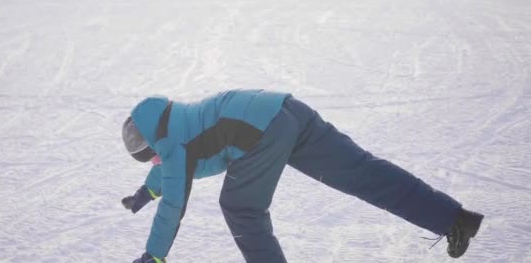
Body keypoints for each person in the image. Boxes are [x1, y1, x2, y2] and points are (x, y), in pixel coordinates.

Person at [121, 89, 483, 263]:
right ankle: (453, 218)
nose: (155, 162)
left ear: (156, 144)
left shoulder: (173, 147)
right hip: (286, 109)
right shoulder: (176, 124)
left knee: (241, 208)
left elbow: (173, 202)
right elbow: (167, 174)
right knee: (360, 171)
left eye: (151, 156)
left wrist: (153, 257)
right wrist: (145, 192)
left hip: (261, 132)